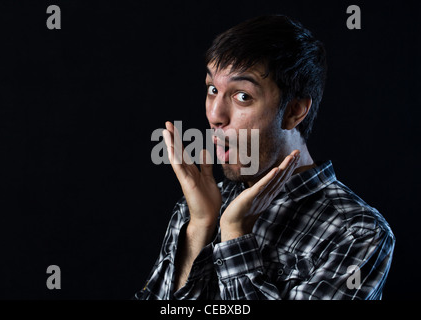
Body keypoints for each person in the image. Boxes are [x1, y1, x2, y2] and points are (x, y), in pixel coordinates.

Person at [135, 15, 395, 300]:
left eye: (242, 96)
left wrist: (235, 234)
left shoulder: (358, 233)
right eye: (212, 90)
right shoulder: (195, 208)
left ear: (294, 111)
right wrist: (200, 227)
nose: (215, 116)